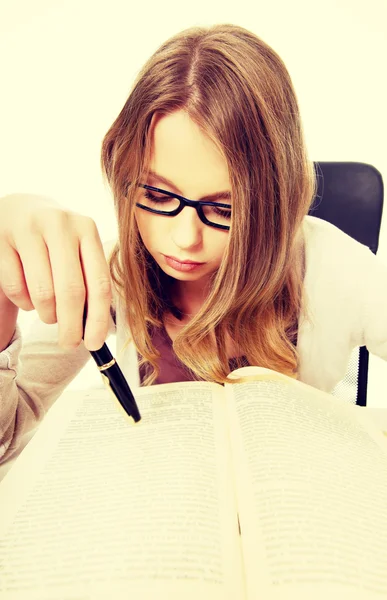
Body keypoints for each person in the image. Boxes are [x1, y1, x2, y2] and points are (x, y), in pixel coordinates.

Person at [1, 23, 387, 464]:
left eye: (225, 210)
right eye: (157, 195)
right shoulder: (110, 274)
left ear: (275, 205)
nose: (185, 240)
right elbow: (5, 440)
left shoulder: (336, 269)